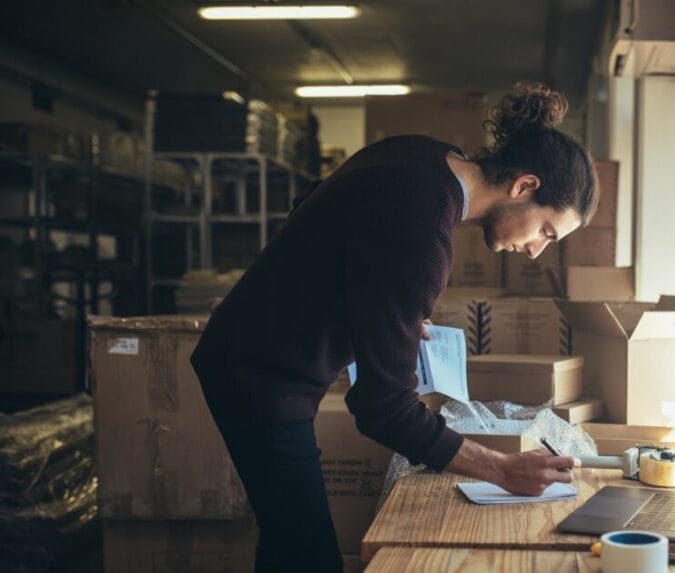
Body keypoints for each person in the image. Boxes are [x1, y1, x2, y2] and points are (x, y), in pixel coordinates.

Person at [189, 81, 599, 572]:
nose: (536, 250)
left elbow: (314, 206)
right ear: (524, 186)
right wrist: (504, 469)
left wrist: (381, 313)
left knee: (287, 540)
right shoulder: (424, 238)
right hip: (260, 375)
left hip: (248, 352)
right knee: (307, 556)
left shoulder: (420, 154)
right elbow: (383, 408)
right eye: (546, 232)